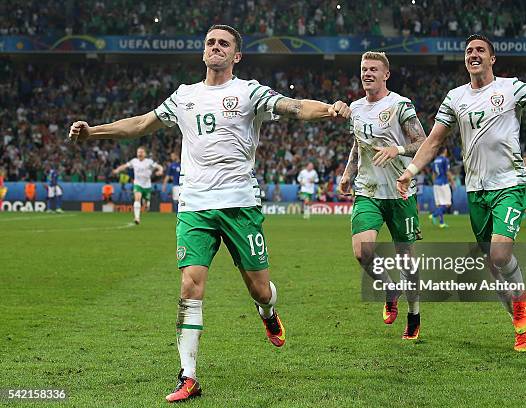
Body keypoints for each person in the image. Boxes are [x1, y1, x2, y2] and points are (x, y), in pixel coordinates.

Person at [68, 24, 350, 403]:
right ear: (203, 52)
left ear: (236, 55)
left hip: (239, 205)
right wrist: (92, 132)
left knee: (260, 290)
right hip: (195, 204)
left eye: (224, 44)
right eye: (210, 43)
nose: (215, 47)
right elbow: (138, 124)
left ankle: (267, 313)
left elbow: (294, 106)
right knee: (190, 286)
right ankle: (188, 376)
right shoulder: (183, 97)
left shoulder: (248, 91)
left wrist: (329, 109)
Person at [397, 34, 526, 352]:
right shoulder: (455, 98)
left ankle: (521, 311)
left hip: (509, 184)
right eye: (469, 51)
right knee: (493, 264)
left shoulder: (513, 88)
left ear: (492, 58)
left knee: (499, 254)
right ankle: (520, 324)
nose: (473, 54)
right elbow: (433, 141)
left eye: (480, 50)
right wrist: (411, 171)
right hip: (476, 191)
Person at [339, 51, 426, 340]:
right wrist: (348, 173)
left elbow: (422, 143)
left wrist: (397, 150)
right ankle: (390, 287)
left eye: (374, 69)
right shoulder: (356, 108)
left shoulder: (401, 105)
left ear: (385, 74)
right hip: (369, 191)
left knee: (407, 262)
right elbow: (358, 145)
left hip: (401, 192)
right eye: (364, 69)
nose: (367, 73)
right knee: (362, 251)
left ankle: (414, 315)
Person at [112, 146, 163, 224]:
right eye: (138, 152)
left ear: (145, 153)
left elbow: (159, 166)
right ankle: (137, 218)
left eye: (141, 152)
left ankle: (146, 202)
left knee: (146, 206)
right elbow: (125, 166)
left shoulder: (149, 162)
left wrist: (160, 170)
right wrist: (117, 170)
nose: (140, 154)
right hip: (137, 184)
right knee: (137, 198)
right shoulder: (134, 161)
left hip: (147, 185)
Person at [431, 146, 454, 228]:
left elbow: (433, 174)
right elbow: (447, 172)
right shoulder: (445, 160)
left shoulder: (435, 161)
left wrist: (434, 183)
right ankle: (434, 215)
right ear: (444, 151)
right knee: (447, 204)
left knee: (440, 205)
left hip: (436, 184)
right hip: (443, 183)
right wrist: (452, 182)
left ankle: (441, 223)